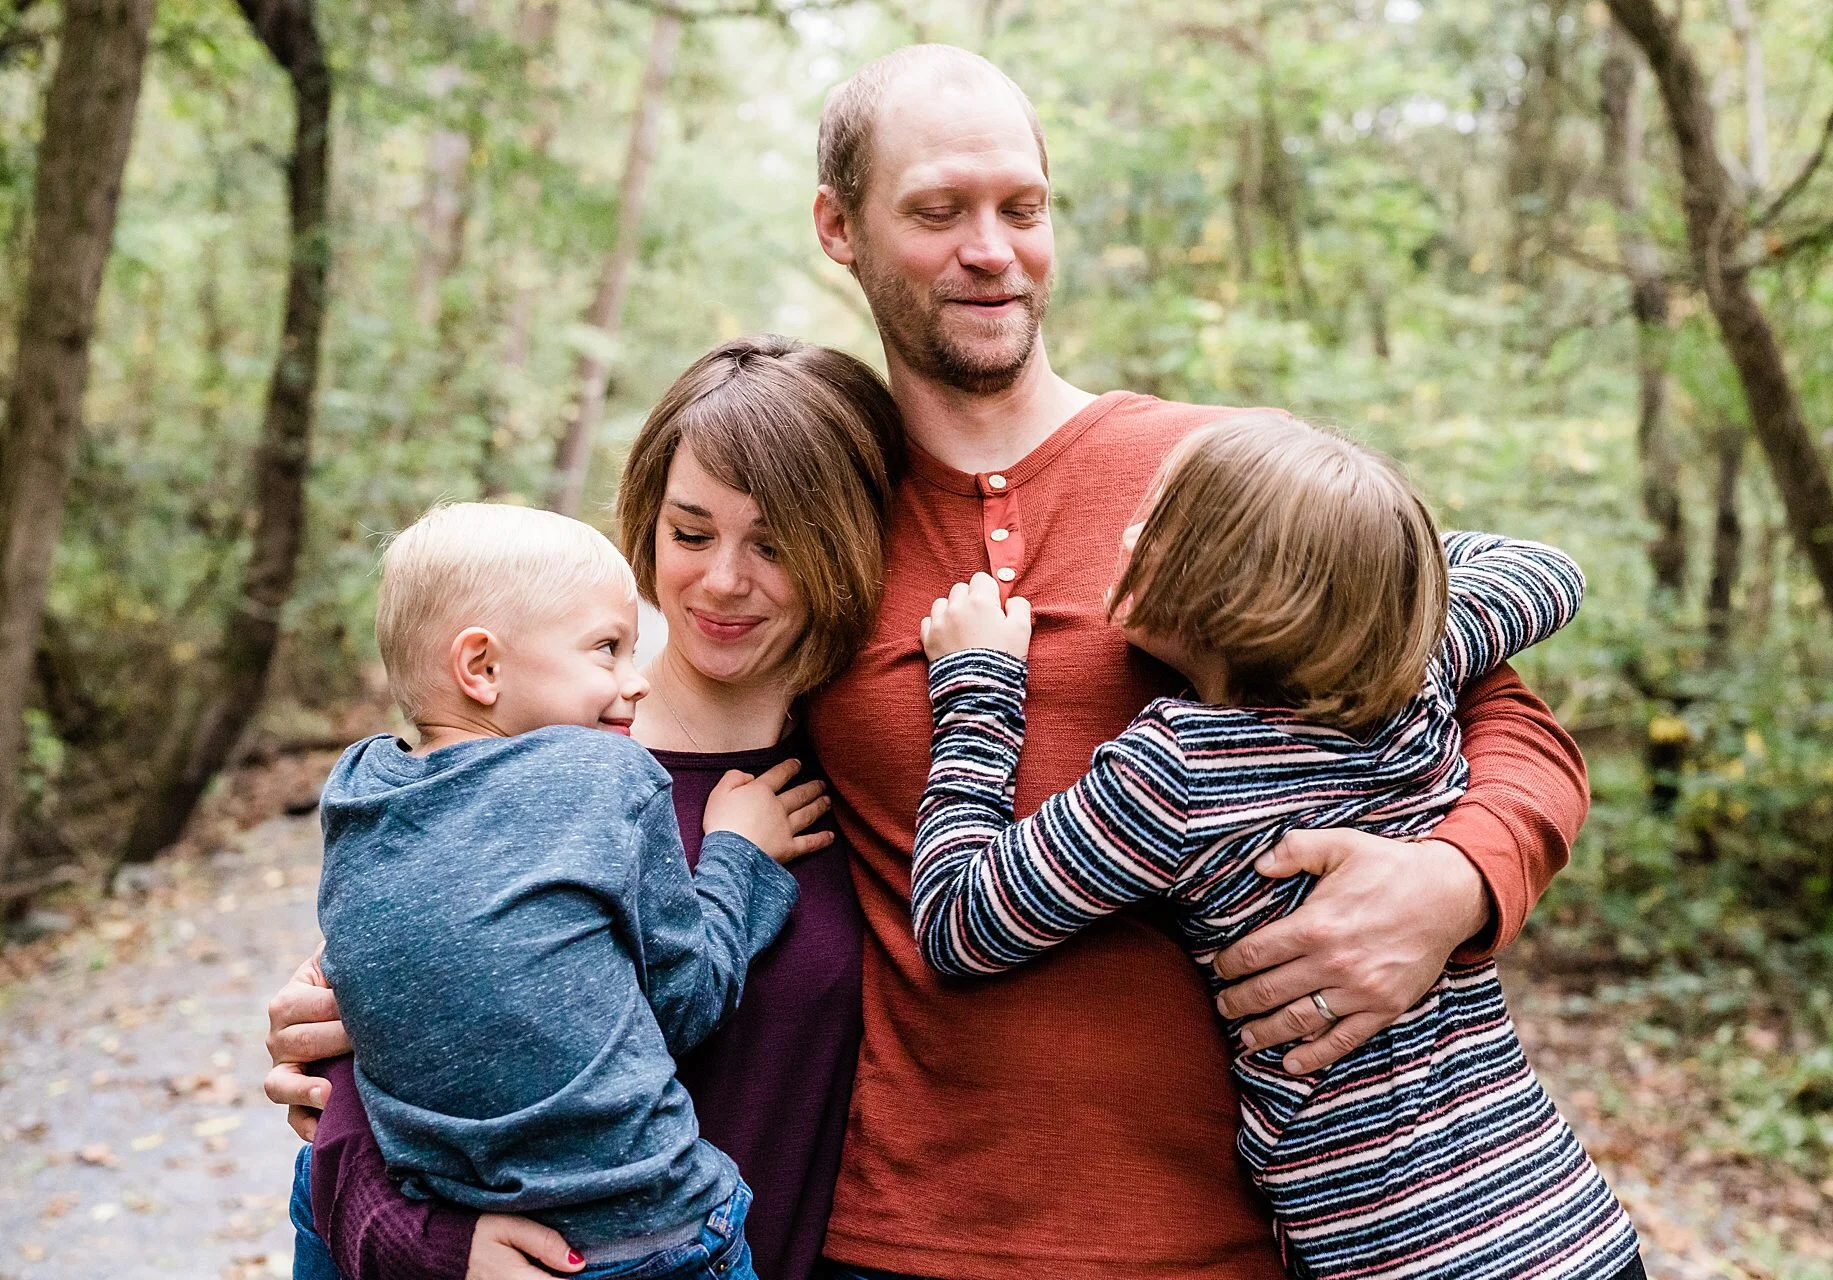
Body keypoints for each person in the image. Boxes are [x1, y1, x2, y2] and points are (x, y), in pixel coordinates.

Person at [271, 46, 1591, 1280]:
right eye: (940, 209)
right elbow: (551, 812)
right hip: (885, 1239)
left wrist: (1458, 881)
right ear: (838, 228)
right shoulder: (816, 520)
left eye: (1024, 207)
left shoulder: (1213, 481)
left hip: (1225, 1234)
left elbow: (1494, 708)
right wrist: (382, 1023)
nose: (990, 251)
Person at [911, 414, 1641, 1280]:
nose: (1130, 532)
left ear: (1234, 594)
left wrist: (978, 684)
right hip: (1566, 1223)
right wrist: (1361, 569)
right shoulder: (1417, 665)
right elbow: (1548, 571)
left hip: (1395, 1256)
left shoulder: (1182, 769)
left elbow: (960, 921)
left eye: (1165, 525)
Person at [288, 337, 901, 1280]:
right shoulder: (533, 761)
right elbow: (341, 1111)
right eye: (690, 534)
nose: (723, 581)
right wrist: (430, 1242)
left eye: (776, 545)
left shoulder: (880, 775)